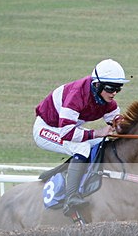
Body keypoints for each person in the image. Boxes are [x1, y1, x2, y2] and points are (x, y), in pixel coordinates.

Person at [33, 59, 128, 213]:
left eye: (118, 88)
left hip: (66, 128)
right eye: (111, 88)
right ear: (97, 85)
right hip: (46, 129)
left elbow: (117, 123)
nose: (114, 93)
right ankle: (71, 198)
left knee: (103, 141)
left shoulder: (107, 100)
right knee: (82, 146)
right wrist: (97, 132)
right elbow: (67, 133)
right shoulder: (76, 95)